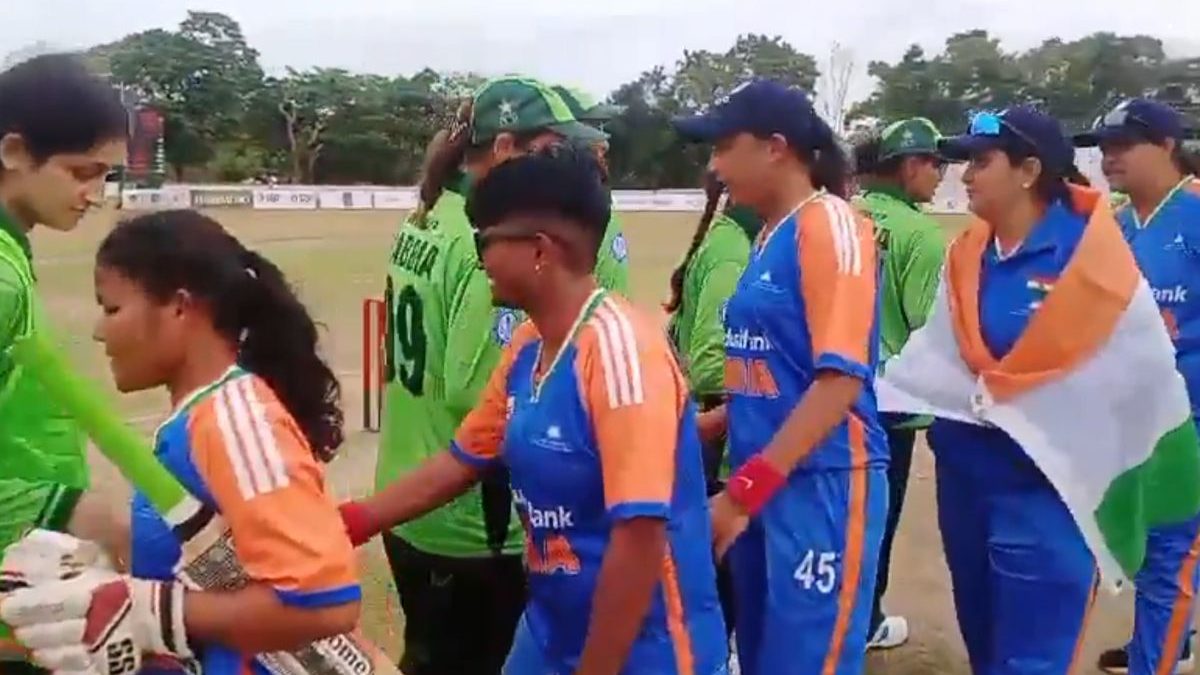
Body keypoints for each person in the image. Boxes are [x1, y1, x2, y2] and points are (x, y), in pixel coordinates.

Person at [341, 145, 729, 674]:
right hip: (550, 629)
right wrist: (353, 521)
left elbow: (639, 539)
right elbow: (462, 459)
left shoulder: (621, 355)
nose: (480, 260)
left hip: (644, 646)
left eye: (487, 242)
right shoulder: (528, 345)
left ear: (540, 250)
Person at [0, 210, 363, 674]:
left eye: (112, 309)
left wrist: (146, 610)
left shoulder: (235, 420)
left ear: (178, 306)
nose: (97, 330)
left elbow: (323, 604)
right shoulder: (197, 419)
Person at [371, 77, 611, 675]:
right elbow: (480, 396)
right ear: (504, 147)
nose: (564, 165)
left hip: (405, 490)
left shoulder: (432, 215)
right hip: (471, 525)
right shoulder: (491, 243)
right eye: (552, 148)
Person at [674, 78, 887, 675]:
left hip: (822, 484)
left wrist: (742, 495)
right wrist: (704, 425)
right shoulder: (771, 234)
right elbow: (774, 374)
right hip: (764, 479)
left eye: (722, 148)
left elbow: (839, 382)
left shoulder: (831, 226)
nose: (714, 167)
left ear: (775, 147)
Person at [890, 106, 1104, 673]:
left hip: (1045, 494)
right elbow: (928, 361)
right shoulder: (968, 253)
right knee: (984, 649)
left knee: (1031, 660)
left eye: (981, 163)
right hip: (965, 484)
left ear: (1029, 170)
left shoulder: (1092, 254)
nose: (965, 176)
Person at [0, 53, 131, 668]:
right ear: (14, 152)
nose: (94, 196)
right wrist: (66, 510)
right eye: (83, 172)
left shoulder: (11, 253)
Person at [1077, 98, 1200, 675]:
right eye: (1103, 146)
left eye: (1124, 144)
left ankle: (1156, 661)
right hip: (1135, 420)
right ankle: (1166, 645)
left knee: (1173, 552)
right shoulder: (1117, 225)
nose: (1109, 157)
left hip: (1190, 421)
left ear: (1167, 146)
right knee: (1149, 547)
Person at [851, 117, 948, 650]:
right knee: (877, 523)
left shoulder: (840, 215)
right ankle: (866, 621)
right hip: (892, 403)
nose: (941, 175)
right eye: (936, 163)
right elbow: (927, 329)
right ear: (910, 165)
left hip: (830, 395)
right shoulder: (920, 234)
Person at [664, 171, 761, 639]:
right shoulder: (731, 251)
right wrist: (777, 389)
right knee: (720, 591)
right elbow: (708, 362)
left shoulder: (735, 240)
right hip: (720, 446)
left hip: (721, 442)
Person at [552, 84, 631, 295]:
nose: (604, 143)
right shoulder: (560, 217)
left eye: (603, 127)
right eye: (593, 128)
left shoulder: (597, 203)